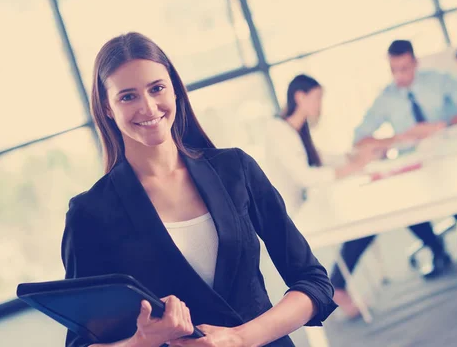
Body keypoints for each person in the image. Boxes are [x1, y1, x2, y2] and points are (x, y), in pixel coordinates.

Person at [61, 33, 337, 347]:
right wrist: (142, 341)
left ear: (175, 89)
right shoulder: (90, 214)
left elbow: (314, 282)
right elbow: (80, 343)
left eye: (157, 88)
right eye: (128, 96)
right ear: (107, 108)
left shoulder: (236, 169)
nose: (148, 107)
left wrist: (239, 338)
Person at [353, 40, 457, 279]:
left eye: (405, 68)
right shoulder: (386, 98)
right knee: (400, 199)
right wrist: (400, 138)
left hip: (445, 152)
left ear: (415, 62)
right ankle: (436, 248)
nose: (400, 75)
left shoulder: (437, 80)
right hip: (412, 162)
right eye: (394, 70)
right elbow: (359, 139)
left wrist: (441, 125)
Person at [263, 74, 382, 319]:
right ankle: (337, 286)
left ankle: (338, 284)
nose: (320, 105)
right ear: (300, 97)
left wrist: (353, 157)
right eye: (317, 98)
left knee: (365, 216)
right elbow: (306, 177)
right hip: (292, 215)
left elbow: (319, 158)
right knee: (362, 222)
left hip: (308, 204)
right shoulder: (279, 132)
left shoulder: (296, 128)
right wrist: (352, 167)